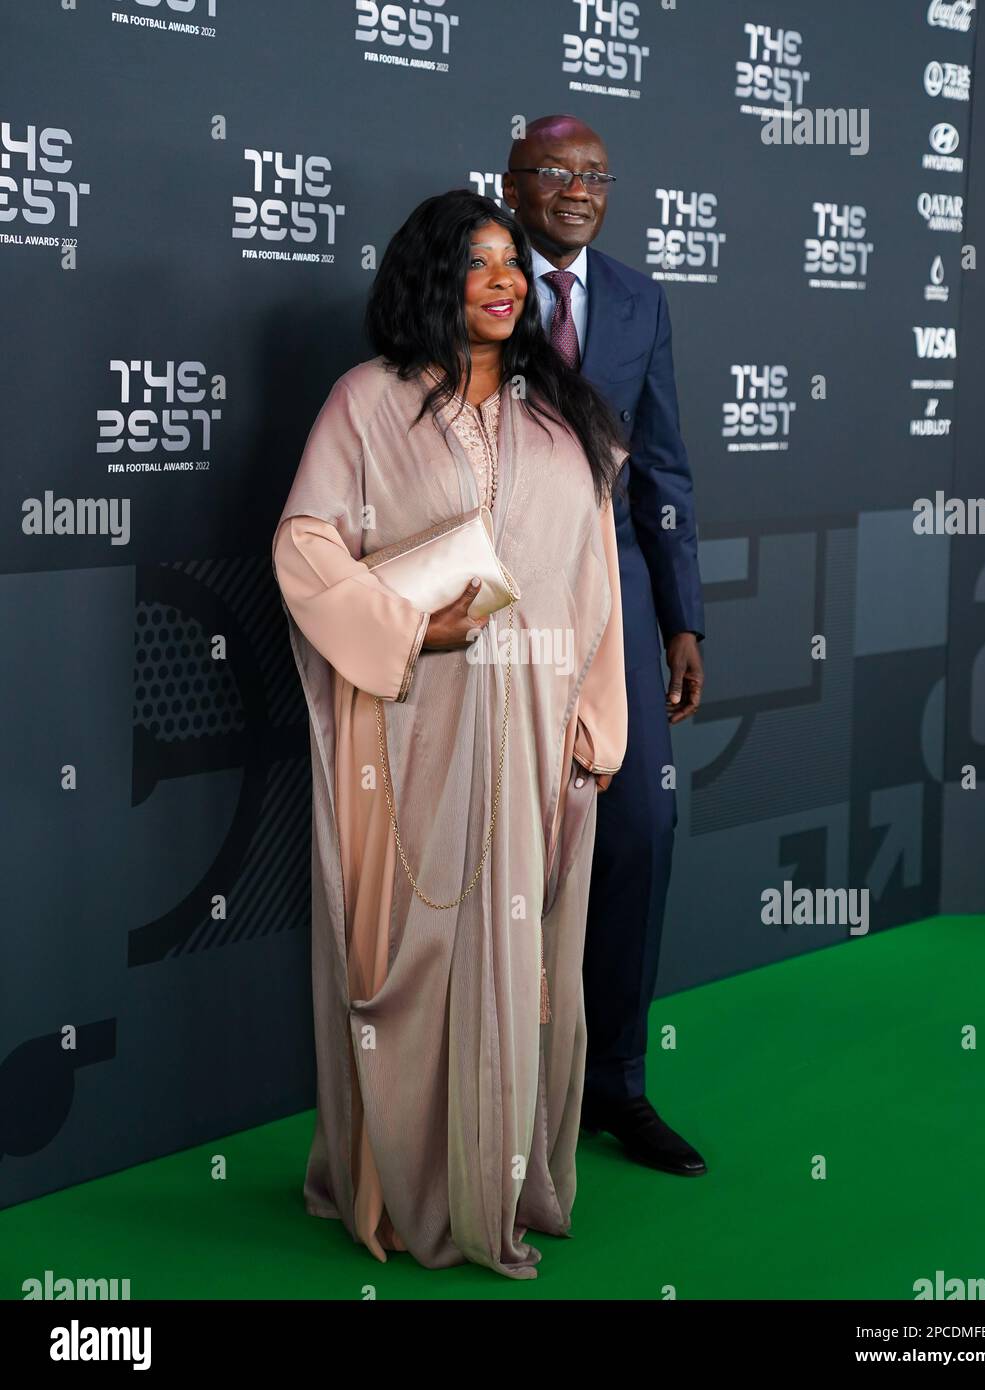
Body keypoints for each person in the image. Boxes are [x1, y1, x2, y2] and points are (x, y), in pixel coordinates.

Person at [271, 190, 628, 1280]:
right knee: (412, 950)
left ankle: (499, 1180)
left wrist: (592, 715)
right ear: (430, 276)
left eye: (510, 263)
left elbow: (594, 577)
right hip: (413, 729)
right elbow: (303, 547)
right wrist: (406, 628)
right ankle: (402, 1183)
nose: (502, 280)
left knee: (523, 963)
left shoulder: (561, 417)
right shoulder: (365, 404)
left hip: (531, 732)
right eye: (476, 262)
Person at [503, 114, 709, 1176]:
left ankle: (615, 1087)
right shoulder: (478, 276)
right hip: (496, 605)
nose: (575, 190)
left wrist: (679, 618)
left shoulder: (636, 299)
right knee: (504, 849)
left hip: (617, 603)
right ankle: (507, 1089)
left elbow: (662, 473)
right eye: (551, 171)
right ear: (511, 180)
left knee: (637, 832)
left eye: (593, 175)